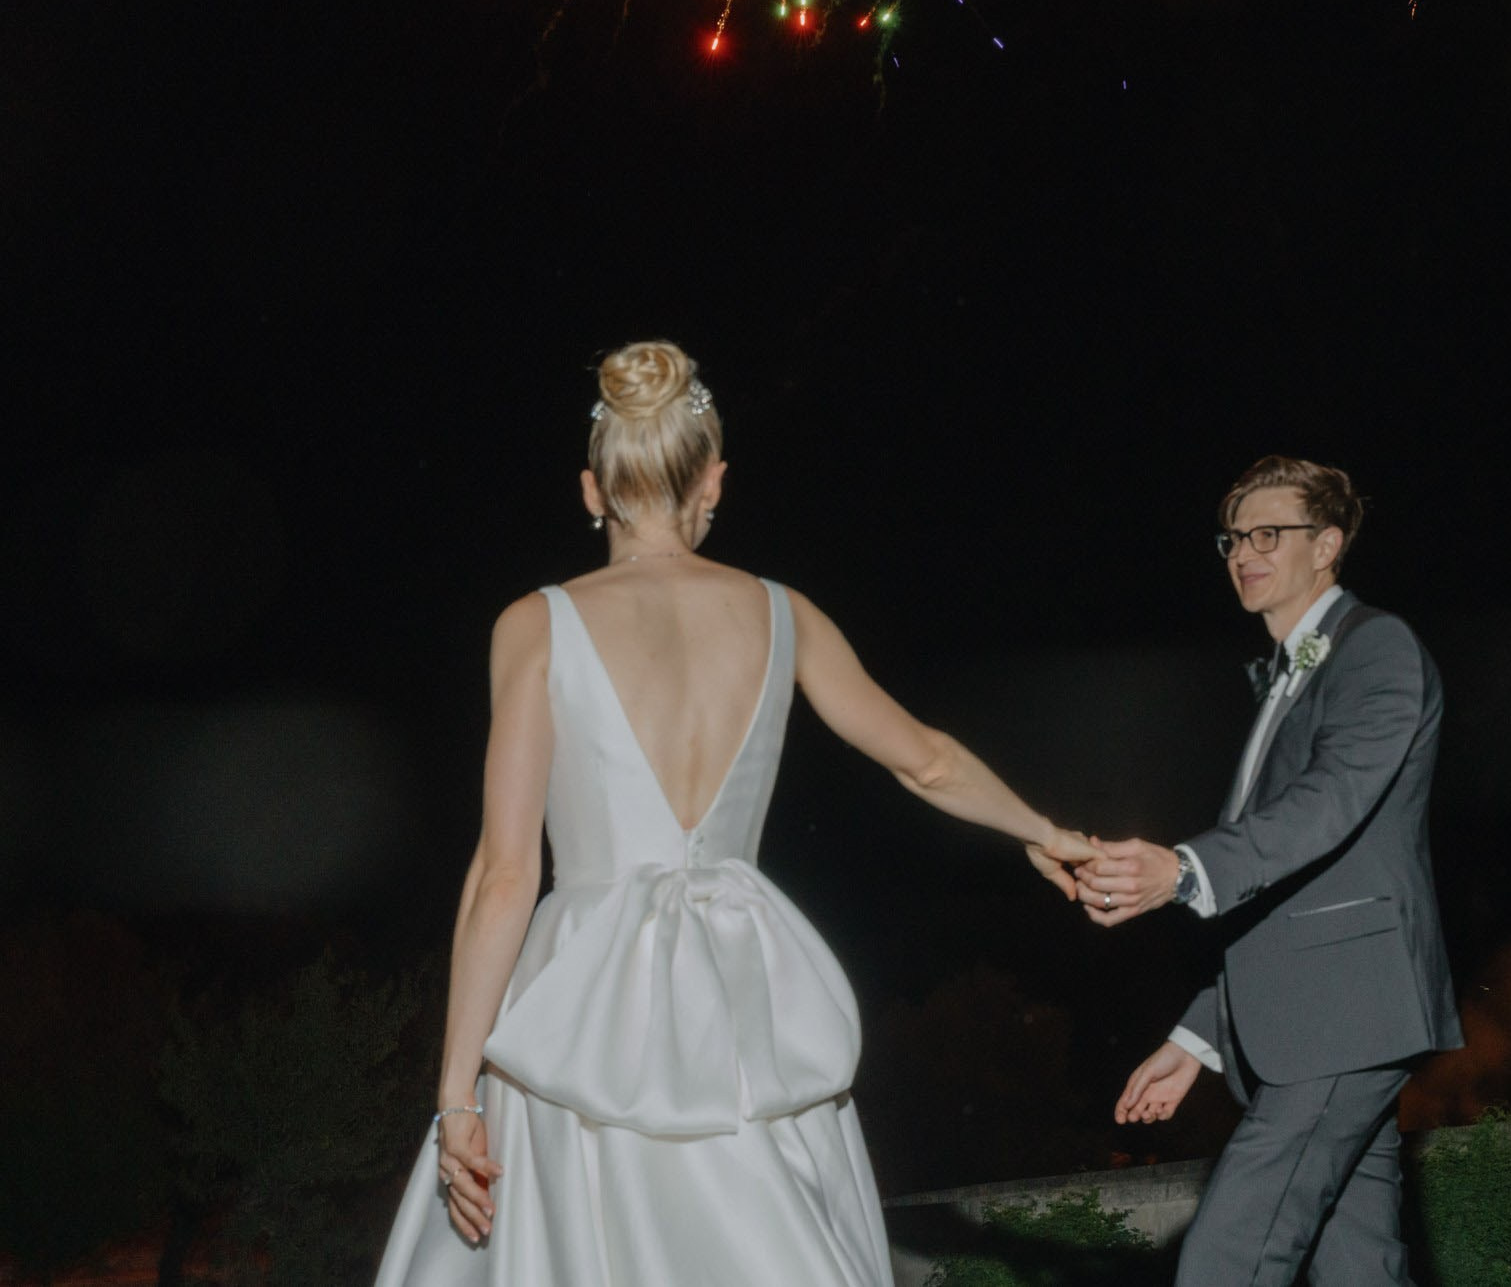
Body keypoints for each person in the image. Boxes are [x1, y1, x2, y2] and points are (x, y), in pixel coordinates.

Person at [374, 341, 1094, 1287]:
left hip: (588, 1008)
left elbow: (505, 874)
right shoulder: (785, 612)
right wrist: (1046, 832)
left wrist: (455, 1091)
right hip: (746, 993)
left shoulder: (535, 623)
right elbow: (925, 759)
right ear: (713, 482)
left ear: (593, 489)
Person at [1072, 456, 1463, 1287]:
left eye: (1267, 533)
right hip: (1320, 1021)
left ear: (1326, 544)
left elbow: (1333, 800)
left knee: (1225, 1263)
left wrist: (1183, 867)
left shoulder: (1377, 646)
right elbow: (1284, 892)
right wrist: (1199, 1036)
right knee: (1359, 1267)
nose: (1242, 552)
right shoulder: (1279, 682)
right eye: (1233, 538)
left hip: (1345, 1013)